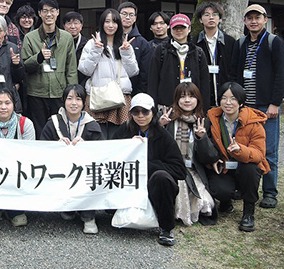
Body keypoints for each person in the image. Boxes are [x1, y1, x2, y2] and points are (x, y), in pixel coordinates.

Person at [231, 3, 284, 209]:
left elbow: (282, 74)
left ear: (265, 20)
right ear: (245, 21)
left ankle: (270, 192)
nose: (253, 21)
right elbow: (236, 74)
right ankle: (244, 188)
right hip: (245, 107)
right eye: (250, 18)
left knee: (269, 150)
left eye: (258, 17)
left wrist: (275, 103)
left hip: (266, 106)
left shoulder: (274, 42)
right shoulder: (241, 43)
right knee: (242, 147)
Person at [113, 93, 185, 247]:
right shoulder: (123, 131)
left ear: (153, 112)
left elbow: (180, 170)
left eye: (145, 112)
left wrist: (148, 164)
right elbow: (108, 157)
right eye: (136, 112)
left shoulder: (163, 135)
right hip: (128, 181)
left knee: (162, 177)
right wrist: (127, 146)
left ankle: (166, 228)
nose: (140, 116)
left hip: (152, 184)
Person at [196, 82, 269, 233]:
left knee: (250, 169)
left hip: (244, 165)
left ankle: (248, 212)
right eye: (224, 98)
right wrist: (211, 154)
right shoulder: (212, 118)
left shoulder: (254, 123)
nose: (228, 103)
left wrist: (240, 149)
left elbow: (259, 154)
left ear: (241, 102)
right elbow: (208, 147)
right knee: (219, 190)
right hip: (223, 167)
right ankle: (225, 199)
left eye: (233, 99)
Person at [40, 84, 104, 235]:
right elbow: (42, 149)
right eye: (69, 98)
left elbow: (102, 153)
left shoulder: (92, 125)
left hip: (84, 172)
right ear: (63, 101)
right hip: (59, 169)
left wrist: (86, 147)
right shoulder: (53, 123)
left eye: (78, 99)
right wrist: (56, 147)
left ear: (84, 103)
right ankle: (67, 208)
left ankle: (88, 217)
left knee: (90, 176)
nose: (74, 103)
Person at [159, 82, 216, 226]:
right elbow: (157, 148)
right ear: (176, 99)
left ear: (198, 100)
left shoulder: (203, 122)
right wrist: (161, 127)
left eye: (191, 96)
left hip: (193, 169)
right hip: (172, 167)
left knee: (205, 203)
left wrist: (201, 138)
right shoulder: (167, 118)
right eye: (183, 96)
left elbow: (209, 156)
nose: (187, 100)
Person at [0, 88, 35, 227]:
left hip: (18, 171)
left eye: (7, 103)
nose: (3, 107)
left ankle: (15, 208)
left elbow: (30, 153)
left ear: (14, 105)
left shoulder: (25, 124)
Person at [78, 8, 139, 139]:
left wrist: (126, 52)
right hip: (97, 96)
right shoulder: (92, 43)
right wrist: (96, 50)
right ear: (102, 23)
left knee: (119, 137)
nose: (111, 25)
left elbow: (133, 72)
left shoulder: (125, 44)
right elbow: (85, 70)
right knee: (97, 137)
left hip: (120, 97)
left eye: (114, 22)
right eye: (107, 21)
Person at [22, 0, 78, 137]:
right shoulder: (30, 37)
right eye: (45, 11)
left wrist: (72, 93)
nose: (49, 14)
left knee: (60, 130)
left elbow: (71, 68)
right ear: (39, 13)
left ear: (58, 12)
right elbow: (25, 66)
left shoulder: (66, 38)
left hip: (60, 93)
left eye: (52, 11)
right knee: (39, 130)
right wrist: (38, 58)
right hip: (36, 92)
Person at [148, 13, 211, 113]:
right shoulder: (161, 50)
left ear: (189, 29)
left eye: (182, 27)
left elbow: (205, 84)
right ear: (170, 29)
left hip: (192, 106)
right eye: (175, 28)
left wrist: (203, 110)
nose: (179, 30)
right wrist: (153, 108)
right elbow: (153, 81)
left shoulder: (198, 52)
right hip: (166, 106)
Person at [194, 2, 235, 104]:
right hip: (202, 96)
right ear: (200, 20)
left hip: (226, 96)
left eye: (215, 14)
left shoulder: (230, 42)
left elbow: (234, 70)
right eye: (206, 15)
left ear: (220, 19)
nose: (211, 18)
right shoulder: (194, 43)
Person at [117, 2, 152, 96]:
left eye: (131, 15)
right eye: (124, 14)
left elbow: (144, 74)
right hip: (110, 90)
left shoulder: (142, 43)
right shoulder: (110, 39)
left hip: (132, 92)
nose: (127, 17)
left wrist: (139, 95)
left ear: (135, 18)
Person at [63, 11, 89, 86]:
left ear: (81, 26)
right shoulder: (59, 43)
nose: (73, 26)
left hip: (82, 83)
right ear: (64, 26)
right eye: (69, 23)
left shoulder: (87, 44)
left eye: (76, 23)